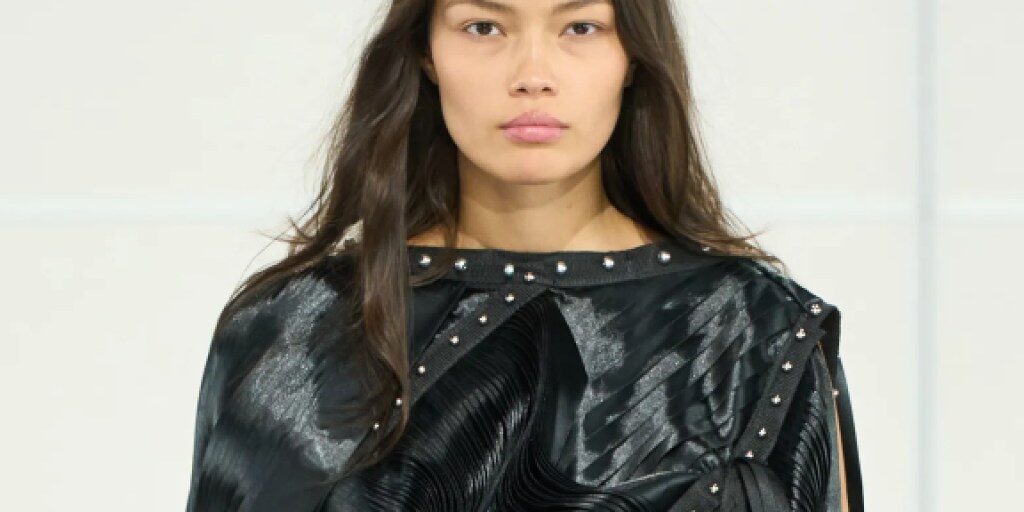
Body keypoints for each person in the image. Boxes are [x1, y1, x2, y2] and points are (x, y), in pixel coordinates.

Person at [185, 1, 864, 511]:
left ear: (632, 54)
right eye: (484, 27)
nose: (533, 76)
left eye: (580, 27)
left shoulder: (754, 333)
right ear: (425, 51)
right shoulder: (293, 330)